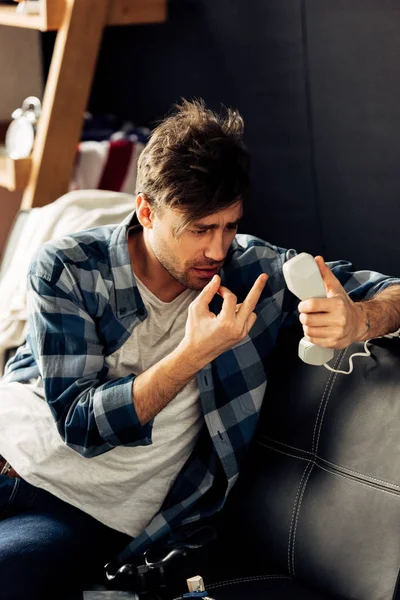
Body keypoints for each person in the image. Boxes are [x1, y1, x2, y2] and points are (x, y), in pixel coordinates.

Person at [0, 99, 399, 599]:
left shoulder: (255, 275)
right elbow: (81, 421)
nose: (216, 249)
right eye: (199, 229)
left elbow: (392, 290)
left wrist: (362, 318)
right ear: (146, 210)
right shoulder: (69, 267)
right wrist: (191, 353)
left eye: (229, 225)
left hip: (77, 510)